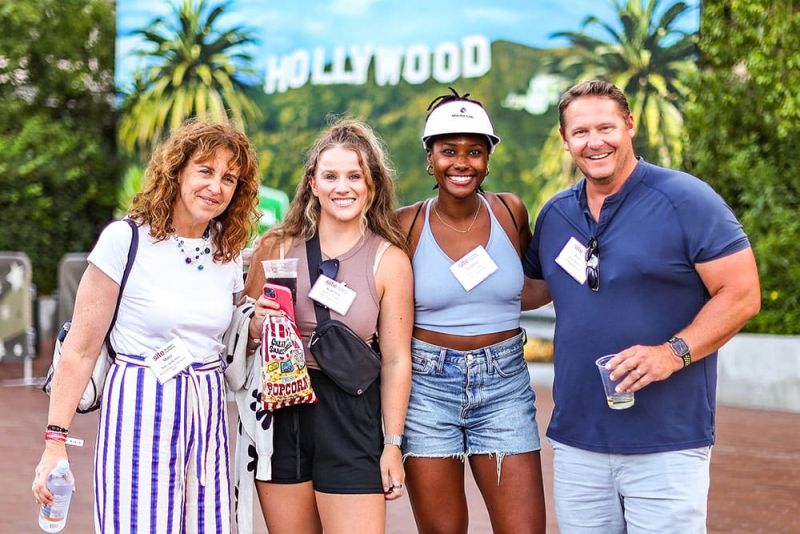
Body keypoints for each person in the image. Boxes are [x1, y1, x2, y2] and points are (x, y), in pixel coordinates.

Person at [522, 79, 761, 533]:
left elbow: (743, 293)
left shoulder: (687, 200)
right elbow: (531, 290)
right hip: (578, 444)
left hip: (667, 443)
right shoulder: (555, 214)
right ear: (565, 140)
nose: (595, 142)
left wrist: (672, 353)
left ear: (630, 126)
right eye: (580, 132)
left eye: (606, 127)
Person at [33, 119, 260, 533]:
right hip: (138, 408)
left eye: (230, 178)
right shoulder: (125, 239)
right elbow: (81, 349)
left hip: (205, 416)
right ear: (176, 172)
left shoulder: (227, 250)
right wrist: (55, 444)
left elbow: (226, 338)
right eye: (205, 171)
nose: (217, 187)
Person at [241, 118, 413, 534]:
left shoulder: (388, 260)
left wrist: (392, 446)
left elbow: (395, 361)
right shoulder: (275, 246)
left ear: (371, 184)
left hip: (351, 413)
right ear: (313, 184)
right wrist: (254, 326)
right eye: (331, 175)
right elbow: (240, 330)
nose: (343, 187)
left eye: (355, 176)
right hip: (280, 409)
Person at [397, 89, 546, 534]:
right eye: (449, 151)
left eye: (474, 151)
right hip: (426, 390)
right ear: (430, 156)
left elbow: (527, 288)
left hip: (504, 386)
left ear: (488, 158)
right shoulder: (405, 224)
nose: (461, 162)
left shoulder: (509, 211)